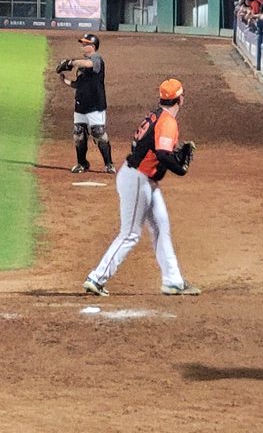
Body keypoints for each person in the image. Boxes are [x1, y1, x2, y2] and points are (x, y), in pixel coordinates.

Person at [83, 78, 201, 297]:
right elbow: (163, 154)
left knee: (161, 226)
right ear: (180, 99)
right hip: (137, 179)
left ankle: (173, 281)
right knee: (130, 233)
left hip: (143, 178)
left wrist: (171, 160)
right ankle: (96, 278)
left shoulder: (156, 115)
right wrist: (179, 168)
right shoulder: (167, 122)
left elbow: (150, 148)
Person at [57, 33, 115, 174]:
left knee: (98, 133)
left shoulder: (96, 59)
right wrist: (66, 81)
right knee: (79, 133)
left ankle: (109, 164)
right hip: (81, 104)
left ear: (92, 46)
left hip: (95, 105)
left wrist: (71, 63)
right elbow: (79, 84)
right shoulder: (82, 66)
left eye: (85, 44)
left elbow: (89, 64)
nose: (82, 46)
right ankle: (82, 164)